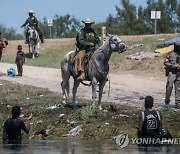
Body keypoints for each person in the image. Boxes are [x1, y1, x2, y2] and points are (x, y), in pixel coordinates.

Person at [164, 42, 180, 109]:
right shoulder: (170, 53)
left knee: (178, 88)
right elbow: (165, 62)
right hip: (171, 72)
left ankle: (178, 103)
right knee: (169, 87)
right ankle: (167, 102)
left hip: (179, 73)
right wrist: (173, 66)